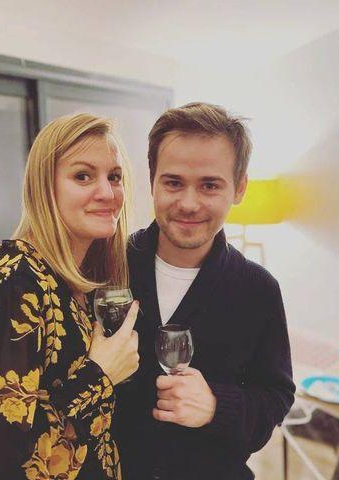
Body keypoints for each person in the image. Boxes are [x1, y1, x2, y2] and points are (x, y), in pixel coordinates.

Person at [0, 113, 139, 480]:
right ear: (43, 187)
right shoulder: (12, 282)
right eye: (83, 176)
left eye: (114, 176)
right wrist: (101, 375)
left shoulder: (76, 279)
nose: (108, 193)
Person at [113, 102, 295, 480]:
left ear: (239, 188)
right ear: (152, 182)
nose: (189, 204)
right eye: (173, 182)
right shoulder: (106, 268)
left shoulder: (258, 290)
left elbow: (276, 395)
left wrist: (216, 406)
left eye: (210, 185)